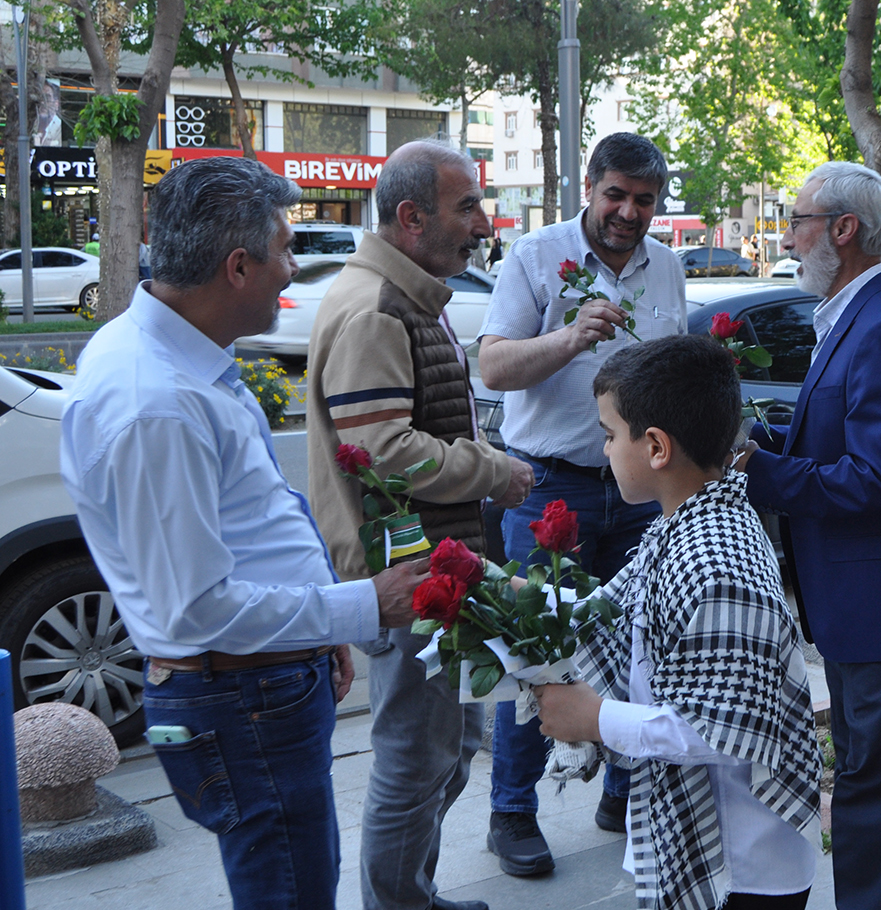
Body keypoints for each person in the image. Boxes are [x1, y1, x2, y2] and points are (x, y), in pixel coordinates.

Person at [59, 157, 432, 910]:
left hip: (263, 685)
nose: (293, 270)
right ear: (237, 267)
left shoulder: (181, 362)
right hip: (242, 699)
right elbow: (199, 608)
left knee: (296, 879)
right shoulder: (154, 401)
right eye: (286, 250)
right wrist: (359, 607)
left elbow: (249, 524)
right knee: (290, 890)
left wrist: (320, 626)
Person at [307, 140, 532, 910]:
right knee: (416, 755)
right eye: (465, 206)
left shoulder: (408, 295)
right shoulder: (376, 307)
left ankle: (414, 894)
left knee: (450, 745)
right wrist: (496, 471)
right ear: (411, 218)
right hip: (408, 579)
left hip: (437, 571)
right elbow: (384, 454)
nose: (480, 222)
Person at [535, 334, 823, 910]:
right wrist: (490, 593)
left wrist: (597, 718)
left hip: (744, 863)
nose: (605, 450)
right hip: (703, 835)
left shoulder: (716, 561)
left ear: (657, 447)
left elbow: (718, 728)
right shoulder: (687, 523)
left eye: (611, 435)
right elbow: (605, 611)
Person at [733, 160, 881, 910]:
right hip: (864, 609)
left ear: (843, 230)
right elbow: (836, 436)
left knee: (871, 802)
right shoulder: (851, 316)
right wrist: (762, 439)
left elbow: (873, 478)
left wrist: (759, 470)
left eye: (796, 222)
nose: (788, 238)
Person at [476, 131, 688, 875]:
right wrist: (568, 338)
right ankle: (511, 812)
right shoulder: (537, 257)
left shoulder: (668, 268)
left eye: (645, 201)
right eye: (617, 196)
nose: (629, 213)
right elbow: (494, 365)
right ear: (589, 188)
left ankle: (625, 795)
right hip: (549, 485)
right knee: (536, 653)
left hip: (638, 491)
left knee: (638, 646)